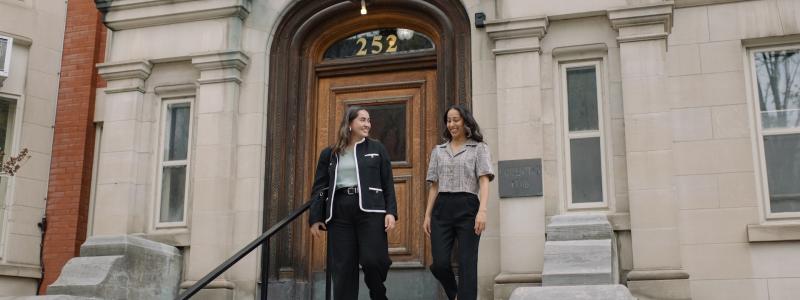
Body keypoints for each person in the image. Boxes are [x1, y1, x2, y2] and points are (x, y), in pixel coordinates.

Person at [308, 106, 398, 300]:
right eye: (363, 120)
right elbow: (320, 187)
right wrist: (315, 217)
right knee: (343, 268)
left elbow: (387, 183)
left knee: (373, 260)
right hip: (339, 212)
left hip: (371, 210)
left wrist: (390, 212)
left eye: (369, 120)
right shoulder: (330, 154)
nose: (368, 124)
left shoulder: (377, 148)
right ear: (350, 124)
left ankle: (378, 293)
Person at [423, 104, 494, 300]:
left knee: (467, 263)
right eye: (448, 120)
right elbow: (434, 186)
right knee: (440, 263)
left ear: (465, 121)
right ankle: (454, 294)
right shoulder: (438, 151)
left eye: (456, 120)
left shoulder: (479, 148)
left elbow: (484, 180)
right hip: (442, 208)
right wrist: (427, 214)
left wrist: (483, 211)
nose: (452, 124)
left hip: (468, 206)